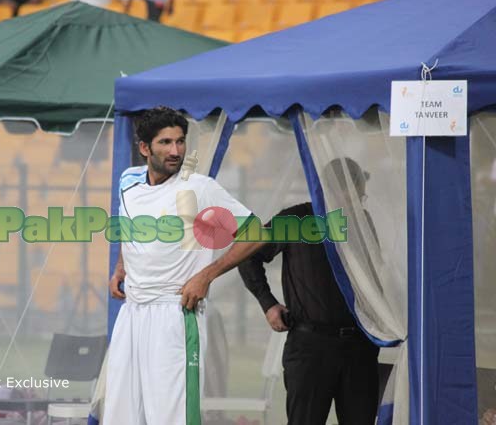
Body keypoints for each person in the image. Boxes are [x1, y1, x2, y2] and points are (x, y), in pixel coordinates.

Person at [180, 158, 380, 425]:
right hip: (312, 345)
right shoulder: (296, 219)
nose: (359, 201)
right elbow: (249, 255)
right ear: (336, 189)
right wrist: (268, 303)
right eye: (357, 193)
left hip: (360, 345)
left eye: (361, 195)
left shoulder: (363, 222)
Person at [103, 106, 251, 425]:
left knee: (171, 417)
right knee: (121, 415)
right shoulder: (128, 182)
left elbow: (256, 233)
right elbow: (128, 223)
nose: (176, 151)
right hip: (131, 313)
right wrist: (121, 266)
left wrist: (206, 276)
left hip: (175, 313)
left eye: (181, 141)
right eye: (165, 142)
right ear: (144, 148)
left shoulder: (198, 187)